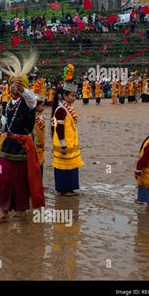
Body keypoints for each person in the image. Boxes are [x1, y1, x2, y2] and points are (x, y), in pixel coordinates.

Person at [0, 53, 45, 222]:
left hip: (23, 145)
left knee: (21, 180)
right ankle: (4, 209)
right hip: (8, 144)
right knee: (4, 178)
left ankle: (21, 208)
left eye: (17, 85)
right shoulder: (7, 103)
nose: (13, 88)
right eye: (11, 85)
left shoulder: (29, 101)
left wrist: (22, 88)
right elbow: (5, 125)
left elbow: (31, 99)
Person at [51, 64, 84, 197]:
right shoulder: (60, 110)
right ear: (64, 96)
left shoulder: (69, 108)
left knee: (71, 167)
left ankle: (70, 188)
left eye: (75, 96)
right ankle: (63, 190)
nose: (74, 98)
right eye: (71, 96)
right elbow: (59, 128)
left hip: (71, 143)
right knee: (63, 168)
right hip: (64, 144)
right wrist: (63, 144)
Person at [33, 97, 45, 177]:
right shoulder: (33, 118)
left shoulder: (40, 117)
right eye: (42, 105)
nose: (43, 107)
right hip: (36, 146)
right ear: (36, 106)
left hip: (40, 146)